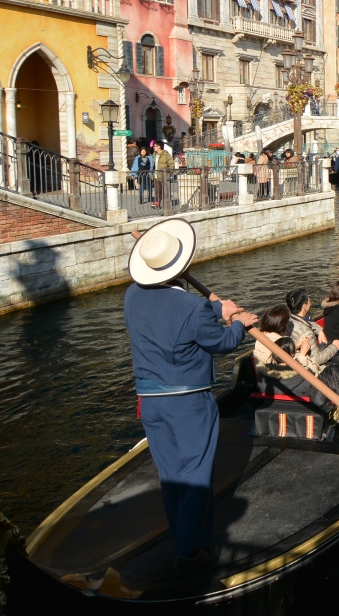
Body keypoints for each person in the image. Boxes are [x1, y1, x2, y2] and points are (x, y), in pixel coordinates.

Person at [124, 219, 256, 568]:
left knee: (171, 474)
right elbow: (222, 341)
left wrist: (217, 309)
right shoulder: (192, 309)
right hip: (187, 403)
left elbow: (176, 317)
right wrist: (240, 322)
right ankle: (190, 549)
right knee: (196, 473)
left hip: (150, 403)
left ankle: (182, 537)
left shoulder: (131, 296)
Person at [254, 307, 322, 396]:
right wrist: (302, 354)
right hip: (286, 385)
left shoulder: (262, 338)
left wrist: (294, 347)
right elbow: (284, 372)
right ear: (282, 325)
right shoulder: (276, 343)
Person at [286, 288, 339, 368]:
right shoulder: (306, 332)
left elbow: (306, 321)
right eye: (308, 299)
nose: (310, 301)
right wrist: (334, 346)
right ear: (304, 306)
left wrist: (320, 331)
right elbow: (316, 359)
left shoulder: (288, 319)